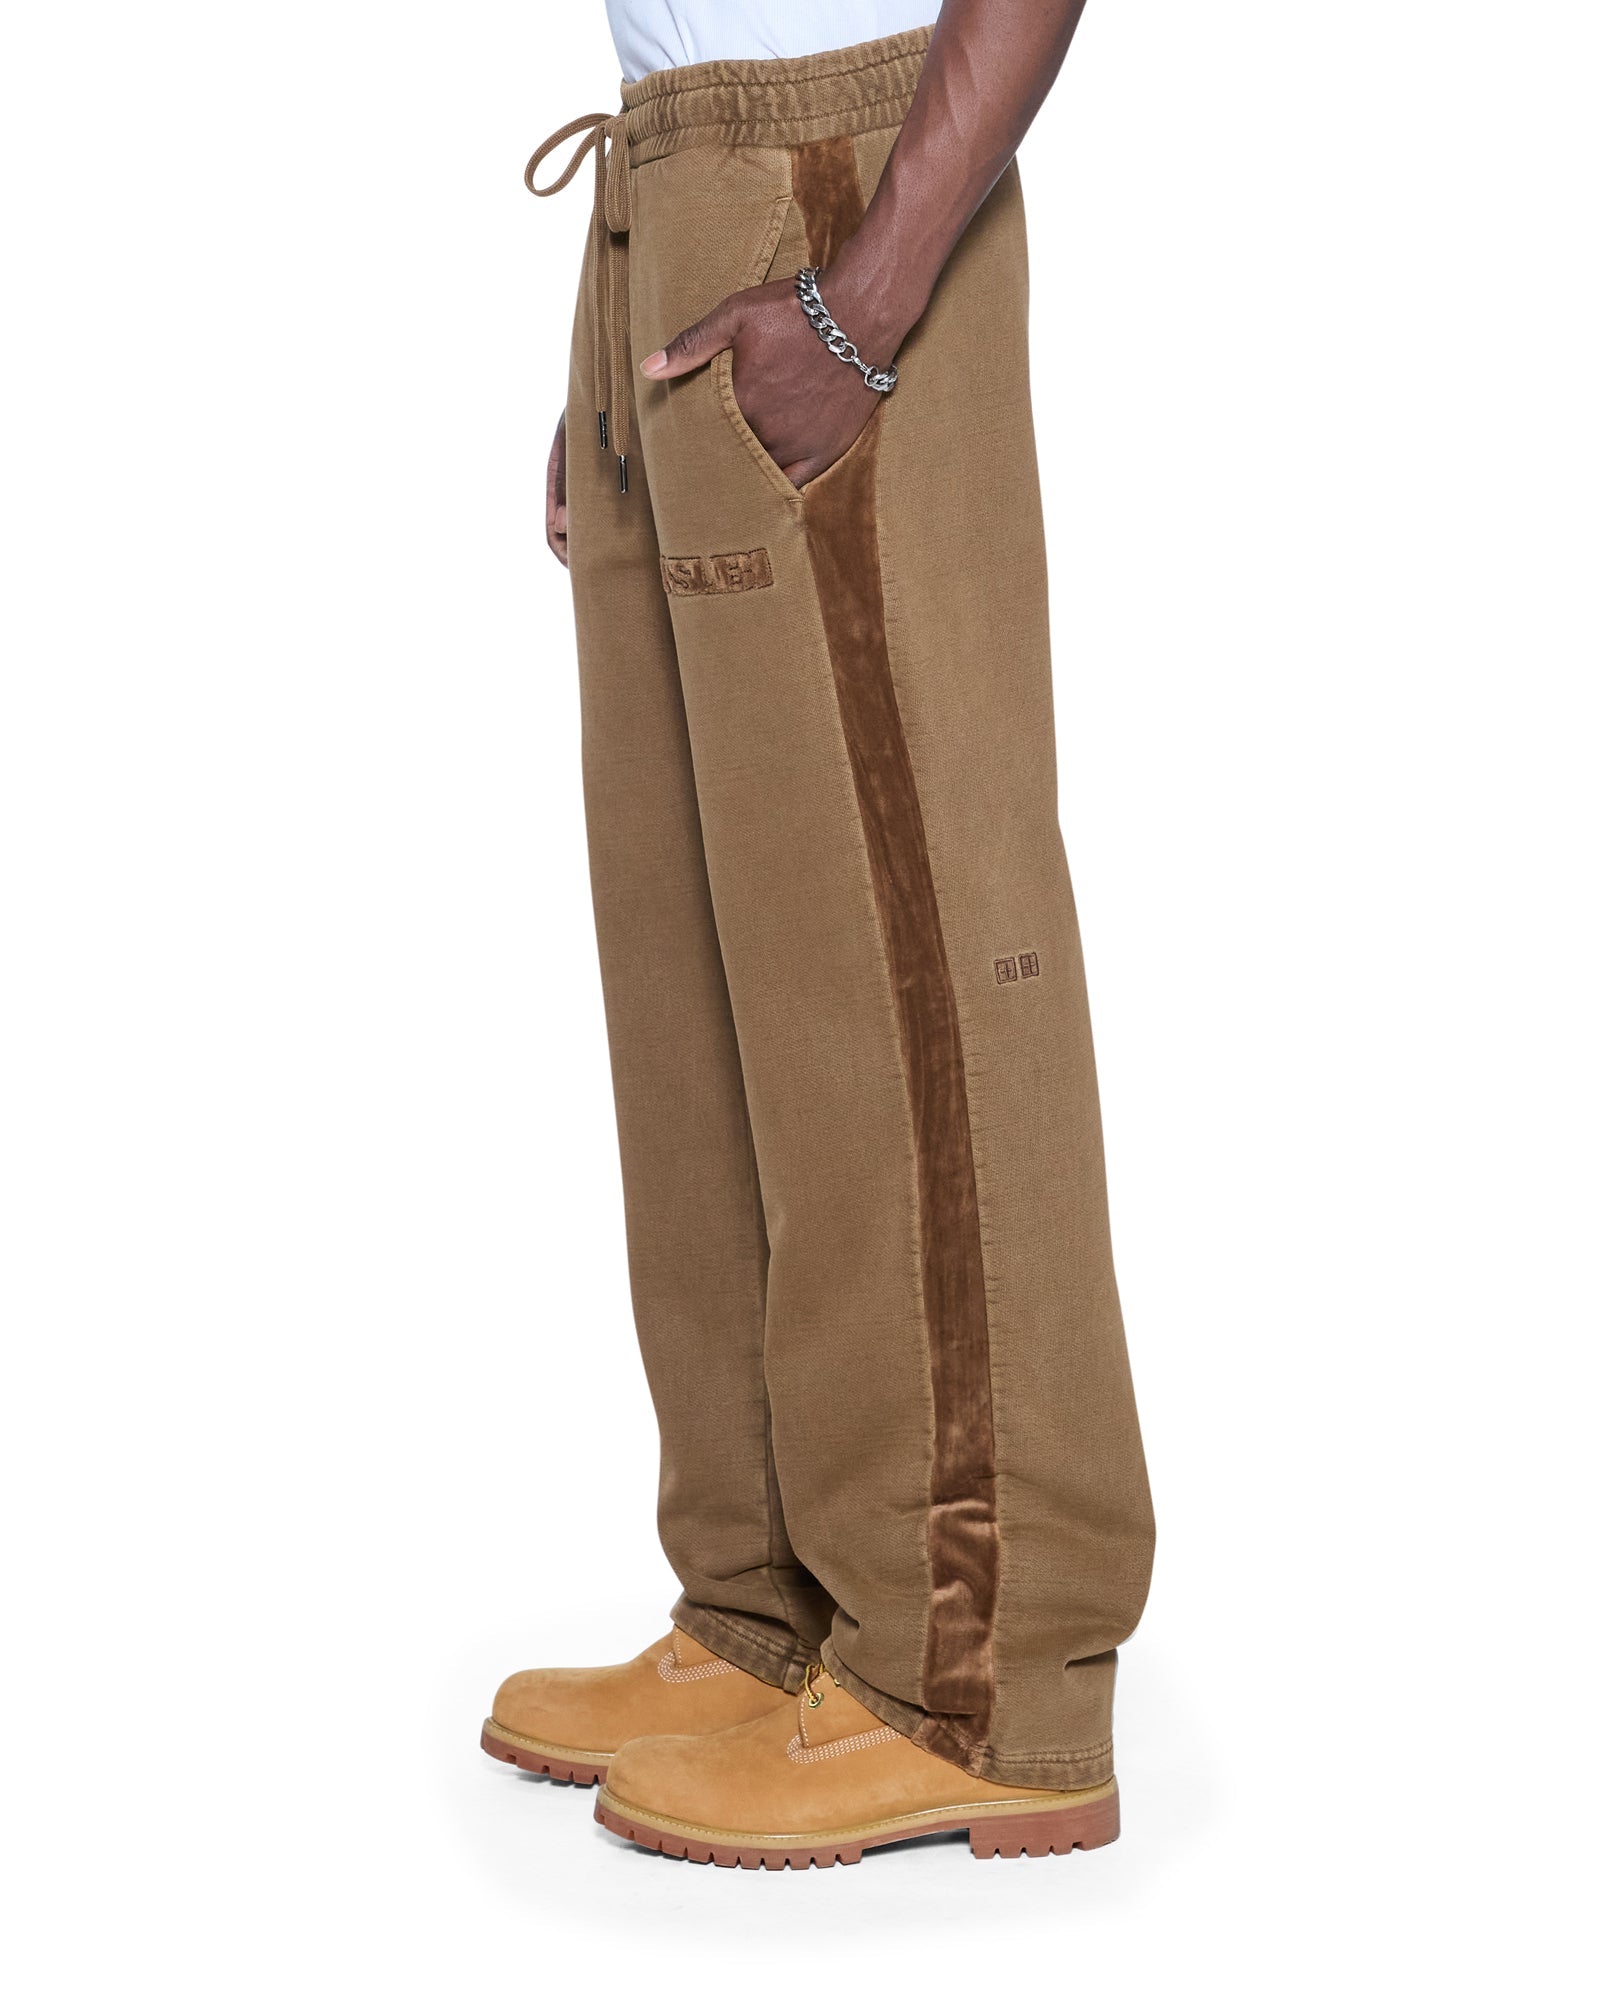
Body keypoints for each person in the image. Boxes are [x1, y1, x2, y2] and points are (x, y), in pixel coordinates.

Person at [482, 0, 1156, 1869]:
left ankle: (981, 1676)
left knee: (906, 947)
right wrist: (625, 327)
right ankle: (771, 1607)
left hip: (845, 178)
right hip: (678, 184)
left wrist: (869, 291)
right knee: (704, 963)